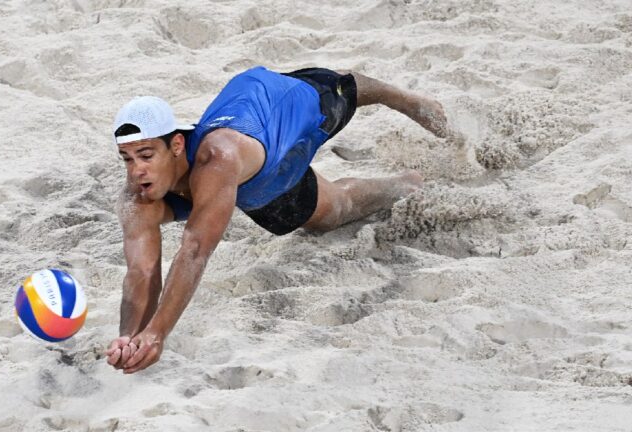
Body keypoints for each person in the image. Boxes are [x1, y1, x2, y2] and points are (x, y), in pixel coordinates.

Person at [105, 66, 448, 373]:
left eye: (146, 155)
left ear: (177, 145)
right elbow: (143, 271)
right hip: (261, 180)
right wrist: (129, 335)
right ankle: (406, 184)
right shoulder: (138, 197)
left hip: (287, 106)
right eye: (127, 158)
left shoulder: (217, 158)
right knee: (334, 214)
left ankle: (399, 97)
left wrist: (158, 333)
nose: (137, 170)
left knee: (343, 88)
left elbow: (194, 250)